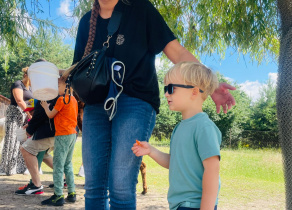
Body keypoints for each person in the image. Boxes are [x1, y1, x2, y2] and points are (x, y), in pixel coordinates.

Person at [70, 0, 235, 209]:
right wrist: (53, 81)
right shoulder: (86, 22)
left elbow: (178, 53)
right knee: (93, 187)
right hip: (95, 105)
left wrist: (210, 86)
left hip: (135, 102)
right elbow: (77, 69)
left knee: (121, 185)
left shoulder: (140, 9)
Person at [132, 62, 222, 210]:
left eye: (171, 88)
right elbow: (175, 162)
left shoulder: (204, 127)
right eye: (166, 89)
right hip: (179, 205)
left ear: (194, 92)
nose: (166, 93)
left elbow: (212, 170)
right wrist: (151, 150)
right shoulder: (179, 127)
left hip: (194, 205)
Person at [40, 75, 78, 206]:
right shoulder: (73, 100)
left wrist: (45, 106)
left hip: (62, 135)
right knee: (68, 164)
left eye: (57, 86)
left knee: (58, 165)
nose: (56, 89)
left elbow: (50, 115)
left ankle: (58, 195)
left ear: (67, 86)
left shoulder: (62, 99)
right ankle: (72, 193)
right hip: (73, 134)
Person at [0, 67, 32, 176]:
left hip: (25, 116)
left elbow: (31, 102)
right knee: (11, 140)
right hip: (14, 114)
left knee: (22, 141)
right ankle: (5, 168)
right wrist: (29, 114)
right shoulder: (18, 84)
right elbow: (19, 101)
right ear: (26, 75)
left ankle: (19, 167)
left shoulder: (31, 88)